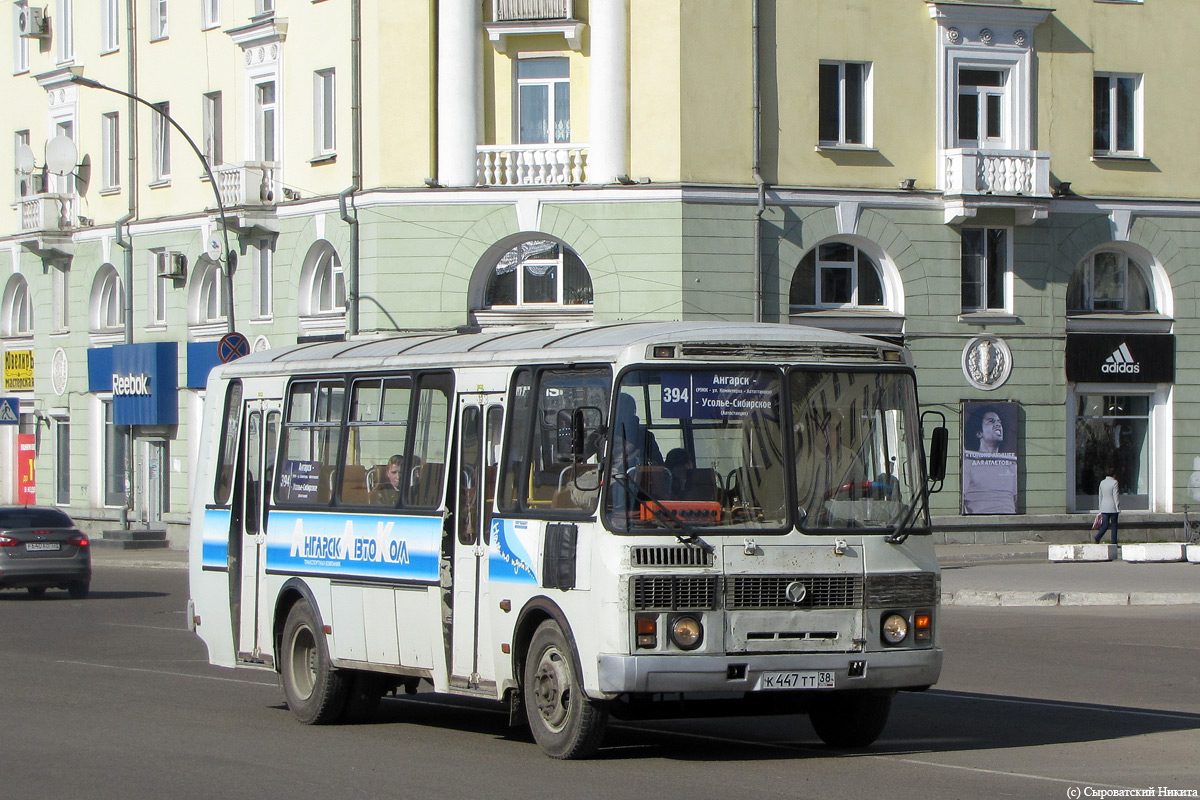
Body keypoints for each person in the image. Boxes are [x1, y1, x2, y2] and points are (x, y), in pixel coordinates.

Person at [961, 404, 1018, 515]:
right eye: (991, 421)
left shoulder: (1012, 465)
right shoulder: (968, 464)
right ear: (979, 433)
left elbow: (1015, 500)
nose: (998, 424)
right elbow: (961, 500)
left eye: (999, 422)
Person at [1094, 470, 1120, 545]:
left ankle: (1098, 536)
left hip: (1104, 507)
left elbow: (1100, 496)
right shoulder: (1115, 482)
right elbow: (1116, 496)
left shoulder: (1102, 482)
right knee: (1114, 525)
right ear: (1113, 475)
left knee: (1105, 525)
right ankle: (1114, 542)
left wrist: (1100, 507)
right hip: (1113, 507)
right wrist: (1117, 506)